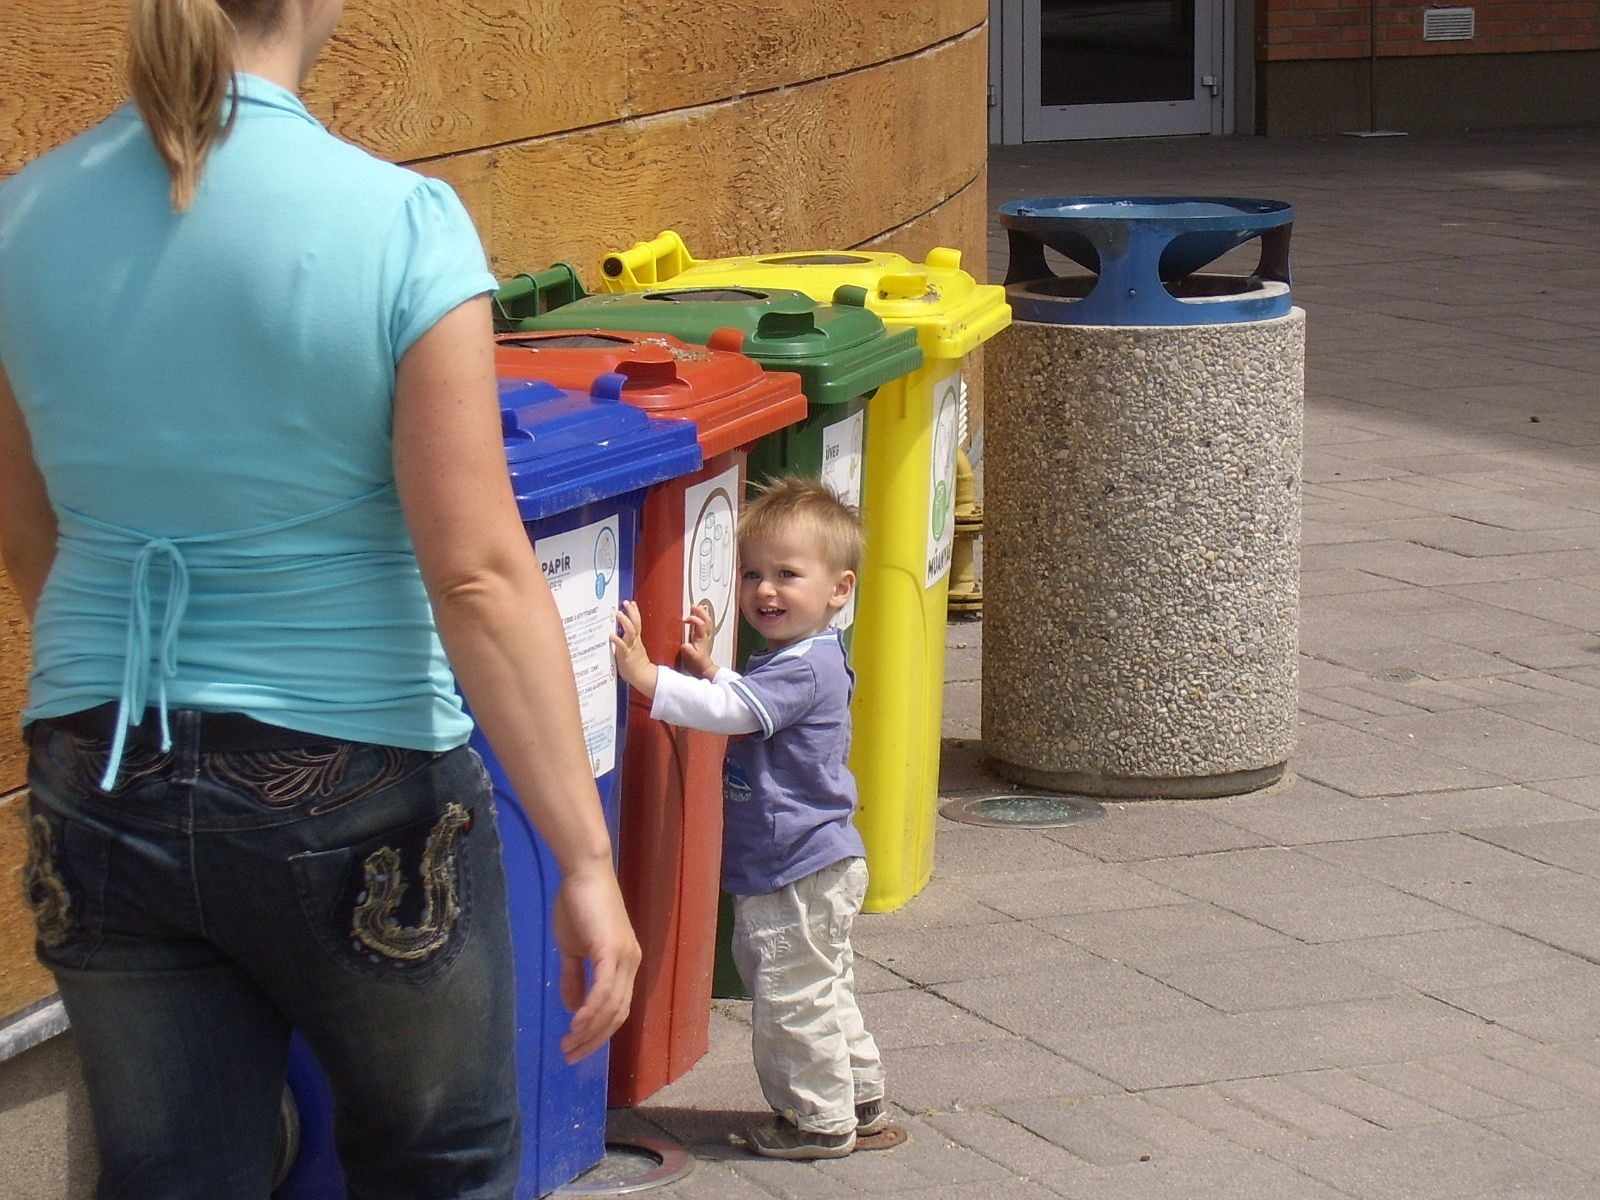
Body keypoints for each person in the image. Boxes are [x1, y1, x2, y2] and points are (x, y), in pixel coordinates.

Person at [0, 1, 640, 1196]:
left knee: (171, 1176)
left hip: (98, 760)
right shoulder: (397, 222)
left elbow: (28, 521)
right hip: (354, 773)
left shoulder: (21, 216)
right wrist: (585, 858)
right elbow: (477, 571)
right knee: (436, 1163)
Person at [610, 476, 888, 1160]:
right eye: (753, 573)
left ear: (838, 590)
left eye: (787, 575)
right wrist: (710, 670)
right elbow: (750, 699)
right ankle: (858, 1095)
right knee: (822, 985)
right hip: (813, 860)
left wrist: (649, 678)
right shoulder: (805, 658)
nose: (765, 590)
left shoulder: (805, 670)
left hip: (792, 866)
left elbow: (737, 716)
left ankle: (816, 1121)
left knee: (790, 996)